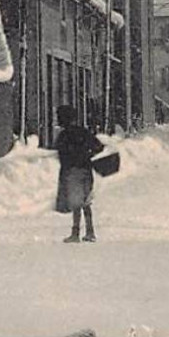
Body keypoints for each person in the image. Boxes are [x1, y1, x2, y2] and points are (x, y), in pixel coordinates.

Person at [55, 104, 105, 243]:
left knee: (76, 203)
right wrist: (87, 155)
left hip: (72, 171)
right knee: (86, 201)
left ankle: (75, 233)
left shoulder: (64, 136)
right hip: (86, 169)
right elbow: (99, 146)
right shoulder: (83, 132)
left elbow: (62, 156)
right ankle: (90, 231)